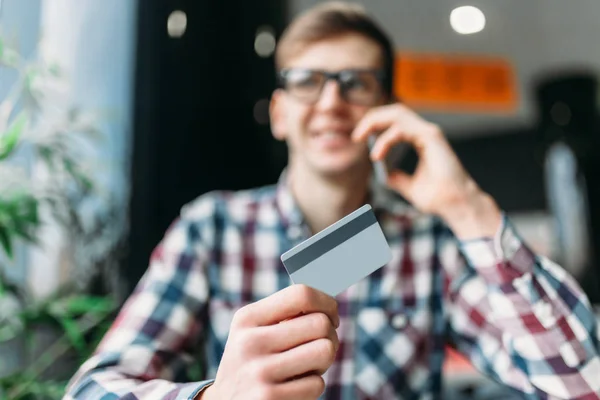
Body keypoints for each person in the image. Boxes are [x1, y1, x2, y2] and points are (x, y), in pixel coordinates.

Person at [64, 2, 600, 399]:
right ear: (278, 112)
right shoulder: (212, 228)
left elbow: (581, 379)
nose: (331, 101)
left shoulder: (431, 242)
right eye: (307, 81)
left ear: (389, 108)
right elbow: (90, 391)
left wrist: (467, 207)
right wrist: (211, 397)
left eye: (356, 82)